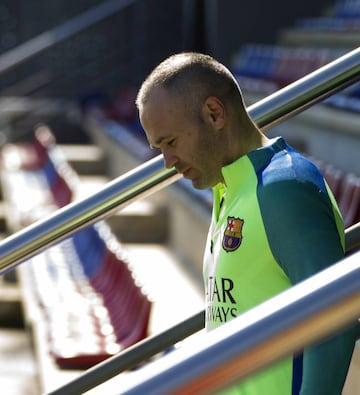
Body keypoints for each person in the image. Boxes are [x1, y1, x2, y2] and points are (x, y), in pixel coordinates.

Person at [135, 52, 357, 394]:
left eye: (171, 142)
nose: (167, 162)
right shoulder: (231, 187)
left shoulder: (284, 187)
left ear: (214, 114)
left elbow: (335, 322)